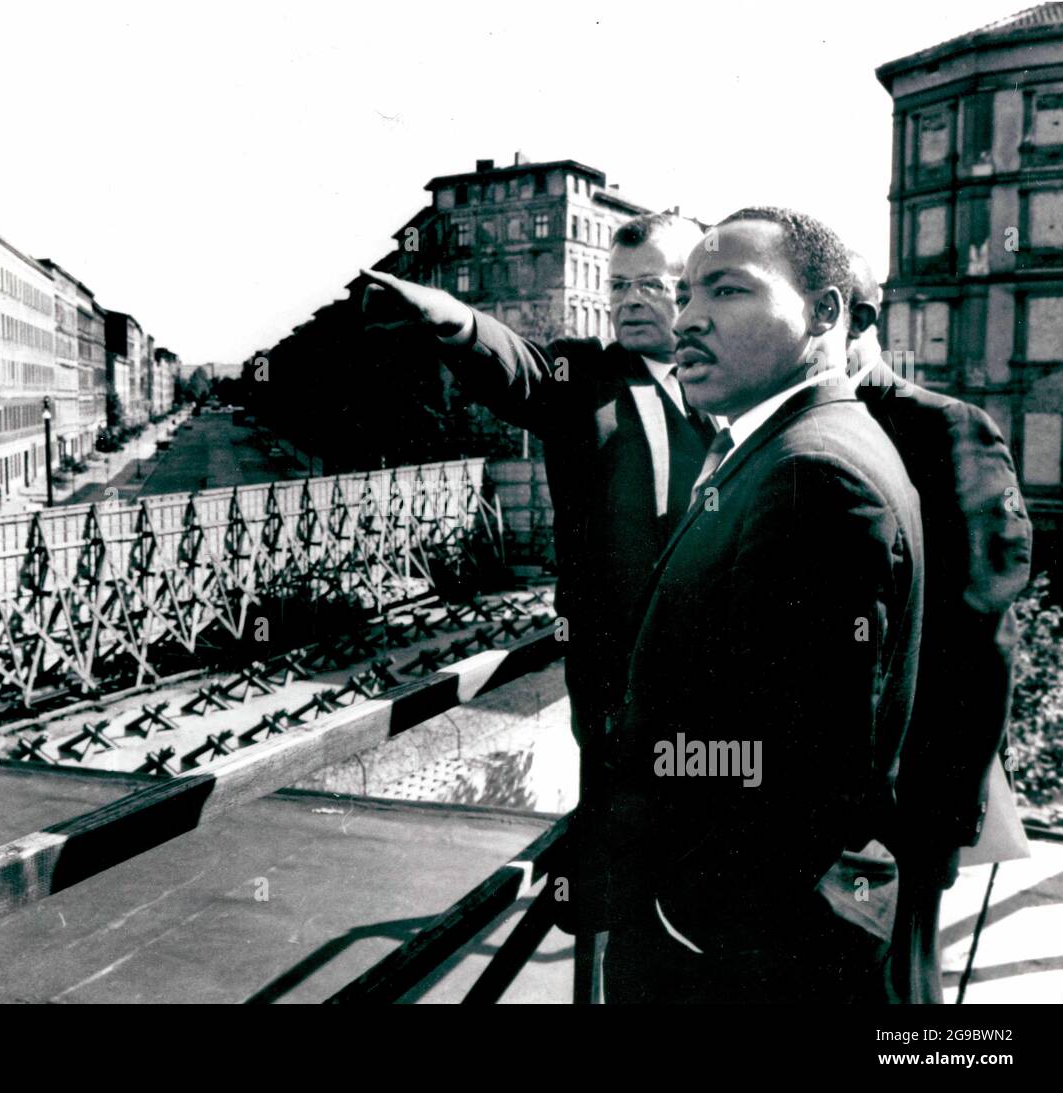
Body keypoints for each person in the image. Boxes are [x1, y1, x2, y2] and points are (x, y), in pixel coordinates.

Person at [360, 214, 712, 957]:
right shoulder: (583, 376)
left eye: (653, 284)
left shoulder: (723, 387)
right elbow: (516, 371)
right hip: (620, 674)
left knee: (703, 860)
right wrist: (455, 321)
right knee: (630, 884)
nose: (632, 300)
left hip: (713, 672)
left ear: (694, 290)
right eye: (620, 286)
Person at [602, 208, 924, 1003]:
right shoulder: (792, 444)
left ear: (825, 312)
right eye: (685, 295)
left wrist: (679, 916)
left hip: (733, 959)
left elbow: (798, 778)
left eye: (728, 290)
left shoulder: (808, 474)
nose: (687, 319)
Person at [845, 253, 1032, 1004]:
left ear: (852, 316)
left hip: (904, 809)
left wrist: (946, 818)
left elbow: (984, 641)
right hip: (808, 807)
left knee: (899, 997)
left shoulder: (944, 428)